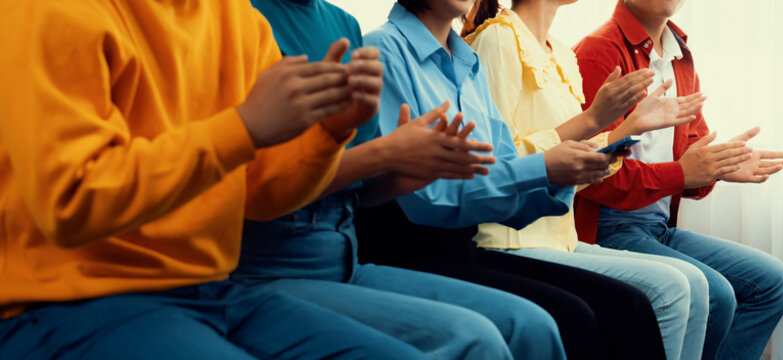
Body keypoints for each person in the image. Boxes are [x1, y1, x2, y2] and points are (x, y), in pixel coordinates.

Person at [0, 1, 430, 358]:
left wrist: (328, 134)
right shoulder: (52, 7)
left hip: (213, 292)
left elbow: (261, 194)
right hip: (63, 303)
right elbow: (71, 199)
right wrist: (242, 129)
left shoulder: (237, 17)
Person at [231, 1, 567, 359]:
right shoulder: (240, 17)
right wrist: (389, 157)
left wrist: (401, 177)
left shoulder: (340, 22)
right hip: (271, 263)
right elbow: (257, 184)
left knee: (533, 325)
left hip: (345, 257)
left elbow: (359, 193)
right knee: (479, 339)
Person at [354, 1, 667, 359]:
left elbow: (503, 173)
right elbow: (426, 201)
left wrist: (563, 176)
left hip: (463, 246)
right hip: (405, 252)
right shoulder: (381, 49)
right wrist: (546, 169)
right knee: (572, 318)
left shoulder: (467, 63)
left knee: (629, 306)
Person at [461, 0, 714, 358]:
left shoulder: (560, 53)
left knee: (695, 284)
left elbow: (573, 169)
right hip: (511, 238)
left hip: (561, 238)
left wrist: (628, 129)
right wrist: (595, 123)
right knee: (671, 287)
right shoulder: (498, 41)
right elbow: (492, 163)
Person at [573, 0, 783, 359]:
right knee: (716, 294)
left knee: (773, 282)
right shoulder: (598, 51)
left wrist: (719, 165)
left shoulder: (680, 55)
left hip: (656, 227)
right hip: (606, 228)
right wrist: (683, 173)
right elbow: (593, 174)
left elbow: (691, 155)